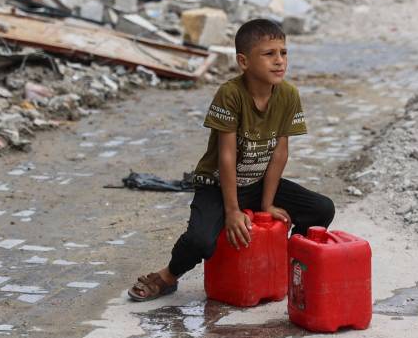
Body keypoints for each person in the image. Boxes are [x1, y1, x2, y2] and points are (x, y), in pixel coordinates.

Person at [127, 19, 335, 301]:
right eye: (268, 54)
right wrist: (233, 210)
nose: (279, 61)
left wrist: (267, 204)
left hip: (258, 182)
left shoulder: (288, 95)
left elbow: (280, 153)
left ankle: (283, 265)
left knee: (321, 209)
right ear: (244, 61)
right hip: (216, 184)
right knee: (201, 240)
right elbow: (227, 156)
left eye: (283, 53)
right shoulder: (231, 94)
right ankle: (167, 276)